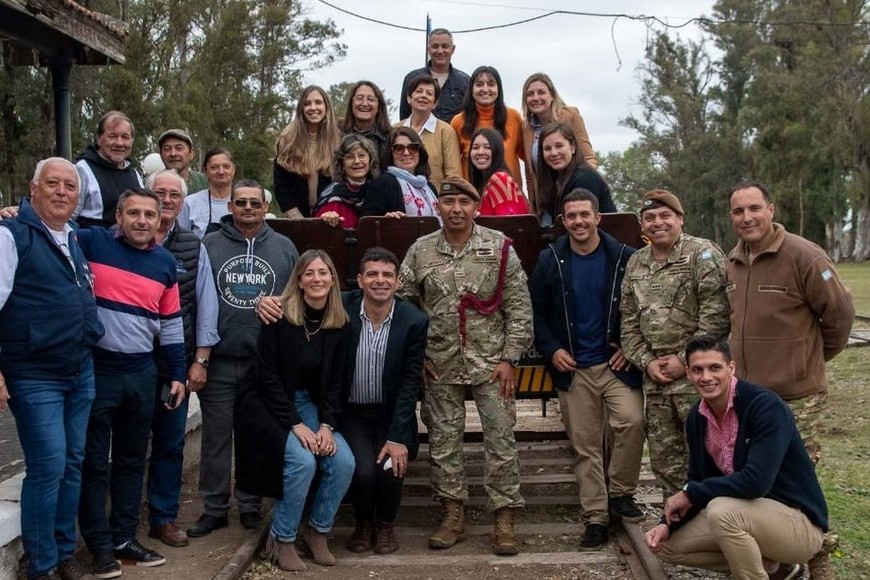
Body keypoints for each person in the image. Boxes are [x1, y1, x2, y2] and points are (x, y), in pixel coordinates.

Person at [399, 177, 533, 556]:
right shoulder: (420, 251)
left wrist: (510, 357)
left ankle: (504, 518)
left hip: (491, 363)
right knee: (443, 442)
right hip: (439, 363)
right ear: (437, 207)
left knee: (501, 441)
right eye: (448, 202)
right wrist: (417, 356)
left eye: (464, 202)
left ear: (476, 208)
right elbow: (404, 306)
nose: (456, 209)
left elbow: (519, 305)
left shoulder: (499, 247)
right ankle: (452, 514)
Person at [645, 335, 828, 580]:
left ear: (731, 368)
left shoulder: (764, 407)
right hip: (747, 516)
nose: (706, 377)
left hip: (798, 524)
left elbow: (756, 481)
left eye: (715, 368)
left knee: (722, 511)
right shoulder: (697, 418)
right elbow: (698, 477)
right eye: (697, 370)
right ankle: (773, 567)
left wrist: (690, 492)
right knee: (666, 545)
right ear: (688, 373)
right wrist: (666, 524)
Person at [0, 158, 104, 580]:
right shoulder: (12, 236)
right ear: (33, 188)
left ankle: (63, 554)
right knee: (48, 465)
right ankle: (40, 566)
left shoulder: (75, 236)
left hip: (80, 370)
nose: (62, 192)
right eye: (53, 184)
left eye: (69, 187)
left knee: (73, 462)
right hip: (33, 373)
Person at [76, 188, 187, 577]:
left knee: (129, 460)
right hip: (97, 371)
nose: (142, 221)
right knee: (93, 462)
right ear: (119, 215)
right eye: (134, 213)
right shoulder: (90, 242)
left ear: (160, 220)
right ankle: (99, 545)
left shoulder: (165, 263)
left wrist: (177, 374)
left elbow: (171, 326)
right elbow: (49, 229)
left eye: (149, 215)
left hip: (142, 372)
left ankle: (123, 538)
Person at [529, 189, 645, 551]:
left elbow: (642, 309)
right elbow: (536, 311)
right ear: (563, 222)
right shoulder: (551, 260)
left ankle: (621, 493)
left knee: (632, 421)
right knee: (586, 446)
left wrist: (629, 346)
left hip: (615, 365)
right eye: (571, 216)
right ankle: (595, 517)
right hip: (574, 367)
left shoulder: (625, 257)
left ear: (598, 218)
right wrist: (552, 350)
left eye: (584, 215)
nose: (578, 221)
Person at [189, 179, 298, 538]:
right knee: (216, 436)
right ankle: (215, 507)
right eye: (241, 203)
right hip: (221, 357)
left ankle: (251, 504)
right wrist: (200, 358)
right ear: (230, 206)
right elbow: (199, 297)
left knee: (255, 435)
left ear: (265, 207)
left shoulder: (284, 248)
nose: (248, 208)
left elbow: (296, 298)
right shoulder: (210, 244)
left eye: (255, 203)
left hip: (263, 362)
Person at [235, 250, 355, 572]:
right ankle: (281, 539)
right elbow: (267, 376)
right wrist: (295, 424)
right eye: (309, 273)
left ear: (332, 280)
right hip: (268, 402)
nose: (317, 279)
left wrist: (327, 425)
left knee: (343, 461)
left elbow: (338, 382)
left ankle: (317, 532)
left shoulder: (339, 324)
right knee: (302, 461)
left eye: (323, 273)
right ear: (299, 281)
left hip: (311, 404)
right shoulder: (279, 317)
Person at [726, 181, 853, 464]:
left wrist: (810, 358)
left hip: (796, 396)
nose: (747, 217)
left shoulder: (805, 256)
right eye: (738, 211)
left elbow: (840, 314)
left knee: (796, 469)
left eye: (755, 208)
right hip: (748, 393)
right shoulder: (733, 262)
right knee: (757, 467)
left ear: (771, 210)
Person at [620, 189, 730, 493]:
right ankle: (677, 523)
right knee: (665, 462)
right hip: (657, 383)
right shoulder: (636, 263)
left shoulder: (702, 254)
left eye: (665, 216)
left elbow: (717, 318)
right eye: (650, 218)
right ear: (642, 225)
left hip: (700, 381)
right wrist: (647, 361)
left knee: (709, 455)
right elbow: (628, 325)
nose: (658, 223)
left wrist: (684, 360)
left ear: (680, 219)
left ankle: (714, 525)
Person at [144, 170, 220, 549]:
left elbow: (206, 305)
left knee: (171, 444)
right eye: (160, 192)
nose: (168, 200)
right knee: (125, 445)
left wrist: (200, 360)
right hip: (129, 364)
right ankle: (120, 523)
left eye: (175, 194)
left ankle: (163, 517)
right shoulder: (120, 238)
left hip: (176, 364)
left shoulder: (193, 245)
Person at [341, 248, 429, 555]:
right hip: (352, 413)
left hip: (392, 413)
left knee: (392, 465)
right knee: (363, 469)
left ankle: (385, 525)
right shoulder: (342, 308)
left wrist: (398, 436)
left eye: (387, 275)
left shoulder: (413, 321)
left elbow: (409, 384)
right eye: (373, 274)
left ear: (398, 280)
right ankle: (363, 523)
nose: (380, 281)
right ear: (360, 280)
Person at [521, 73, 597, 219]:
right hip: (546, 203)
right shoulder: (526, 128)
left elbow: (589, 158)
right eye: (530, 94)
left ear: (552, 95)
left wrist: (581, 189)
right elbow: (530, 174)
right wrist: (534, 207)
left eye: (541, 92)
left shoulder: (570, 116)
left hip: (575, 198)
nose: (535, 98)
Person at [451, 66, 524, 191]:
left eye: (491, 84)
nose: (485, 89)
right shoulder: (458, 121)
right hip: (472, 197)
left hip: (509, 194)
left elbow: (529, 159)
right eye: (479, 84)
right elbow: (452, 165)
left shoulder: (514, 117)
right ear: (471, 89)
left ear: (498, 89)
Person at [273, 86, 342, 219]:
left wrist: (329, 213)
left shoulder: (339, 141)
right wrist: (297, 218)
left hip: (330, 215)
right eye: (307, 103)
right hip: (295, 217)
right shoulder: (286, 142)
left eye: (318, 102)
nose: (313, 107)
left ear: (326, 107)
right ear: (301, 109)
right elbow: (281, 187)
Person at [314, 133, 403, 229]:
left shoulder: (380, 191)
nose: (357, 161)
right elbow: (318, 233)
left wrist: (387, 221)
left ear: (370, 159)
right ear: (342, 164)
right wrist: (326, 219)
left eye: (361, 155)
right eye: (350, 157)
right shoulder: (333, 198)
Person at [534, 123, 614, 225]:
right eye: (547, 148)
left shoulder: (583, 179)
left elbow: (582, 226)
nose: (553, 153)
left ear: (573, 147)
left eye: (559, 146)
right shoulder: (556, 179)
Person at [74, 111, 143, 228]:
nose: (119, 143)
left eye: (125, 137)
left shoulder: (134, 174)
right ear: (99, 139)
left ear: (132, 141)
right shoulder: (82, 170)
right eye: (113, 136)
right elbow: (68, 217)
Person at [398, 73, 462, 189]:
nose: (423, 96)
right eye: (419, 91)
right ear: (409, 98)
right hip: (398, 199)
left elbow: (453, 176)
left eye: (429, 93)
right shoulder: (395, 129)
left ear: (435, 103)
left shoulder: (445, 131)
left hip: (435, 201)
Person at [399, 28, 470, 123]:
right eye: (435, 46)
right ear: (428, 49)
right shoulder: (412, 78)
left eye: (445, 46)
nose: (440, 51)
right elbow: (404, 116)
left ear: (453, 49)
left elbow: (470, 117)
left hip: (453, 137)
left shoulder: (465, 81)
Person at [369, 127, 439, 219]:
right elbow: (368, 223)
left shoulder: (428, 186)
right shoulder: (383, 184)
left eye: (413, 147)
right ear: (390, 153)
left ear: (420, 151)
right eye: (398, 148)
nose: (406, 153)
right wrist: (385, 221)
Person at [467, 127, 529, 216]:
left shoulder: (500, 180)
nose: (480, 152)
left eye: (487, 147)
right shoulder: (482, 183)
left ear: (497, 151)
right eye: (475, 147)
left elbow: (508, 223)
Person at [178, 147, 236, 238]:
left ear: (233, 169)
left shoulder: (244, 202)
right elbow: (180, 239)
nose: (221, 172)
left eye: (226, 166)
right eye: (214, 167)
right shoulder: (190, 203)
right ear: (205, 171)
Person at [341, 81, 391, 166]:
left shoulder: (390, 137)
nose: (364, 103)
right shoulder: (338, 132)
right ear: (351, 103)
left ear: (379, 106)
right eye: (359, 98)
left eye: (370, 99)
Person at [158, 129, 208, 194]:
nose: (173, 154)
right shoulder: (152, 184)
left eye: (179, 148)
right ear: (161, 155)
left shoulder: (204, 182)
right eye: (167, 149)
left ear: (191, 154)